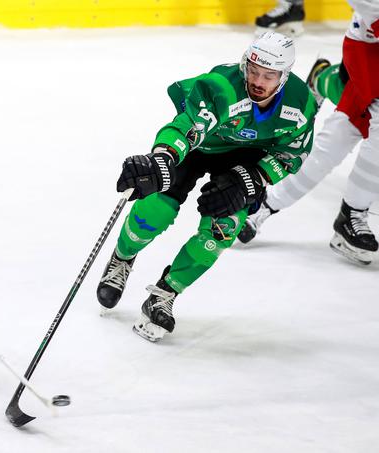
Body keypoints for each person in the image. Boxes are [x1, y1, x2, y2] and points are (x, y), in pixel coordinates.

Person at [97, 31, 318, 342]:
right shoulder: (222, 86)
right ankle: (122, 257)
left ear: (284, 75)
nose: (258, 80)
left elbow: (293, 153)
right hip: (201, 147)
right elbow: (188, 126)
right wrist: (163, 156)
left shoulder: (300, 104)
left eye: (269, 75)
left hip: (244, 158)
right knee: (156, 207)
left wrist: (255, 179)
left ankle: (165, 293)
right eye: (253, 70)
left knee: (224, 226)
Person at [240, 0, 379, 265]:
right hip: (367, 55)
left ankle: (266, 206)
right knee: (350, 132)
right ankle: (352, 214)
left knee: (337, 137)